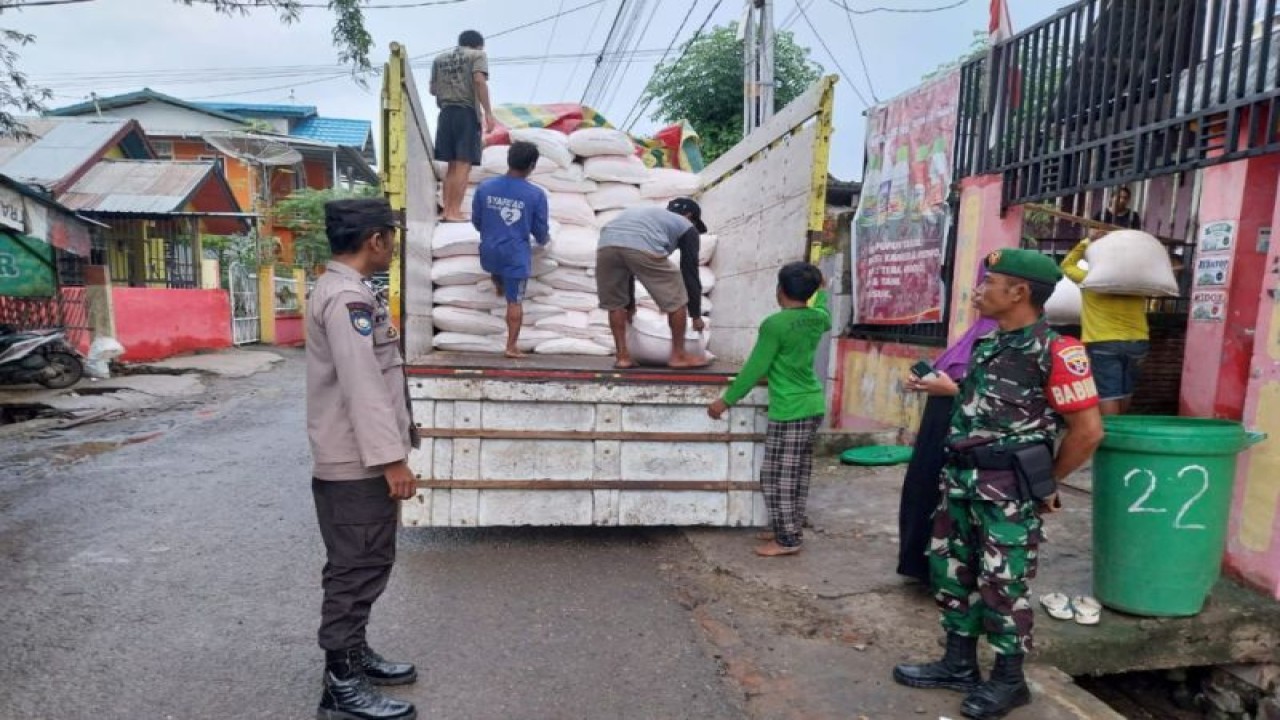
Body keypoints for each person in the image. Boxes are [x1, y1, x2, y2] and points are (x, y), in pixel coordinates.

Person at [892, 249, 1104, 720]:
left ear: (1020, 292)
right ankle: (958, 664)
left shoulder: (1058, 351)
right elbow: (983, 407)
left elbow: (1088, 431)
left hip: (1008, 489)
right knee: (953, 571)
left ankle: (1010, 681)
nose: (979, 291)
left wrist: (1046, 484)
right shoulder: (990, 344)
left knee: (1003, 583)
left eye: (990, 282)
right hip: (962, 481)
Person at [306, 198, 419, 720]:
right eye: (390, 238)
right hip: (357, 464)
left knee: (367, 560)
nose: (394, 247)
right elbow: (362, 386)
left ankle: (354, 652)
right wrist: (391, 460)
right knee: (355, 569)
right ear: (375, 240)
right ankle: (340, 684)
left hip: (356, 460)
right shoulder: (346, 298)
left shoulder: (345, 291)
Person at [707, 262, 830, 557]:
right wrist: (822, 290)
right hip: (812, 403)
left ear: (779, 291)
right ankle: (787, 526)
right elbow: (825, 308)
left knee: (779, 475)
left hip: (791, 408)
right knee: (796, 473)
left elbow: (754, 368)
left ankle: (788, 539)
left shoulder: (775, 324)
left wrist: (726, 400)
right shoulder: (819, 318)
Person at [898, 310, 999, 584]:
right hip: (943, 419)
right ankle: (924, 567)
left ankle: (951, 575)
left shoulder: (1016, 341)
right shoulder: (979, 329)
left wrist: (953, 390)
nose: (979, 292)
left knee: (951, 499)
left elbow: (1002, 399)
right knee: (924, 488)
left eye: (989, 283)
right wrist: (927, 381)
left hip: (970, 432)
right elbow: (956, 371)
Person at [596, 198, 708, 368]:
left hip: (606, 244)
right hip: (640, 246)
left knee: (615, 304)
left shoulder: (650, 216)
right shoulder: (687, 226)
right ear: (689, 215)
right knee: (677, 298)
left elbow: (628, 265)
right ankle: (678, 356)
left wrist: (630, 306)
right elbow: (690, 273)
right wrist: (696, 315)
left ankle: (622, 357)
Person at [471, 141, 550, 358]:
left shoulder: (485, 187)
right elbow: (540, 231)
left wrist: (492, 232)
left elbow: (477, 220)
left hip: (488, 251)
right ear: (532, 165)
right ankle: (511, 346)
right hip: (516, 255)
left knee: (497, 268)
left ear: (509, 159)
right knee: (515, 301)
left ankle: (498, 282)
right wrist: (545, 241)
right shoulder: (536, 195)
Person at [1060, 234, 1149, 416]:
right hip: (1138, 341)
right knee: (1126, 390)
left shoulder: (1090, 279)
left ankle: (1111, 433)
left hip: (1103, 341)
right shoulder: (1138, 283)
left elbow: (1066, 265)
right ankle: (1122, 428)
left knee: (1108, 392)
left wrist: (1086, 241)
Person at [430, 29, 495, 223]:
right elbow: (479, 81)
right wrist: (488, 113)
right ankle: (453, 212)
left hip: (445, 113)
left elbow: (433, 89)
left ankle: (447, 211)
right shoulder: (477, 55)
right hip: (465, 113)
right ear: (478, 45)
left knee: (452, 166)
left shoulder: (439, 59)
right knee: (464, 165)